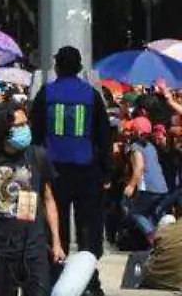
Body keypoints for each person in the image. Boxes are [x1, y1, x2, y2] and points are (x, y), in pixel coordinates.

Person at [0, 101, 67, 296]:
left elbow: (49, 200)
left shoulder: (38, 156)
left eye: (26, 123)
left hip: (35, 247)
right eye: (19, 125)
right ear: (3, 128)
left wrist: (57, 242)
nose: (25, 129)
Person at [30, 45, 113, 296]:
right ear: (78, 67)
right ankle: (90, 281)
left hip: (54, 172)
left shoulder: (46, 94)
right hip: (87, 171)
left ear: (58, 66)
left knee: (57, 227)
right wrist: (106, 172)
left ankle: (57, 278)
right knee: (88, 228)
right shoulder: (91, 95)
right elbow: (103, 137)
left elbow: (36, 135)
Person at [124, 116, 169, 244]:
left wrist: (131, 186)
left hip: (148, 187)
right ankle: (159, 241)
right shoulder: (151, 146)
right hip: (162, 187)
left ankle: (153, 238)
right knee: (150, 214)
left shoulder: (136, 147)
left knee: (135, 213)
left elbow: (139, 167)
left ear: (136, 132)